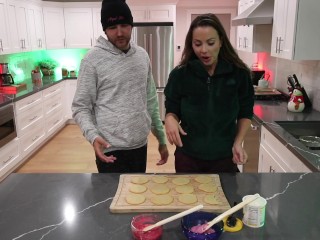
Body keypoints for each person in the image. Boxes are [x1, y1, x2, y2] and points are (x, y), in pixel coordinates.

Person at [72, 0, 168, 173]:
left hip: (139, 144)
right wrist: (93, 137)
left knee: (137, 194)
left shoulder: (142, 56)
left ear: (131, 25)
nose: (120, 32)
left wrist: (161, 139)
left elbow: (151, 100)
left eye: (124, 25)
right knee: (112, 197)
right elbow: (80, 107)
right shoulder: (91, 60)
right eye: (112, 27)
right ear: (105, 30)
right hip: (109, 148)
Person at [164, 13, 254, 173]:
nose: (204, 50)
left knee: (225, 197)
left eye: (210, 43)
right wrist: (170, 118)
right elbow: (172, 108)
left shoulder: (239, 74)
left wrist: (238, 142)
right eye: (197, 44)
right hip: (188, 157)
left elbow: (245, 112)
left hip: (225, 157)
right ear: (191, 45)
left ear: (221, 41)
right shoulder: (180, 75)